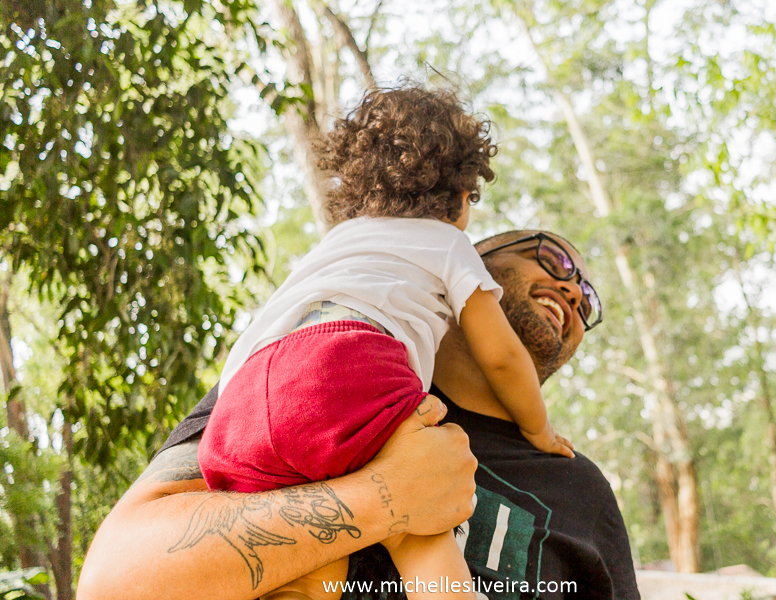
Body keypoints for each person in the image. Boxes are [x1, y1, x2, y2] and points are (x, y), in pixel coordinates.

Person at [77, 229, 640, 600]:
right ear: (474, 262)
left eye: (587, 301)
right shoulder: (307, 371)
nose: (573, 292)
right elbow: (113, 583)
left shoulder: (581, 490)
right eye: (555, 260)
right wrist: (385, 498)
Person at [197, 86, 575, 600]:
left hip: (240, 405)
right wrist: (539, 428)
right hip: (347, 369)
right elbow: (503, 357)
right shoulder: (449, 242)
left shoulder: (336, 241)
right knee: (420, 520)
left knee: (311, 553)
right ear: (461, 194)